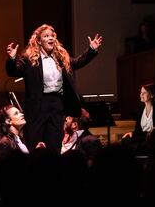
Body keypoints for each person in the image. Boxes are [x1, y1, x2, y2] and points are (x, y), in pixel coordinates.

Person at [6, 24, 102, 154]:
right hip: (37, 107)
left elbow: (77, 62)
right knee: (35, 144)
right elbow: (13, 71)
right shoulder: (29, 59)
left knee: (55, 144)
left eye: (52, 36)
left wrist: (91, 50)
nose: (50, 38)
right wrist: (12, 58)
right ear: (39, 40)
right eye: (46, 36)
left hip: (56, 104)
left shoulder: (61, 58)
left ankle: (54, 170)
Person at [121, 83, 155, 154]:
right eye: (141, 92)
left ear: (152, 95)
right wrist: (131, 133)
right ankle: (139, 149)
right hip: (142, 137)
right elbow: (138, 130)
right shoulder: (141, 109)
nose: (141, 95)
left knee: (144, 144)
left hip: (152, 139)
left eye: (144, 93)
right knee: (125, 139)